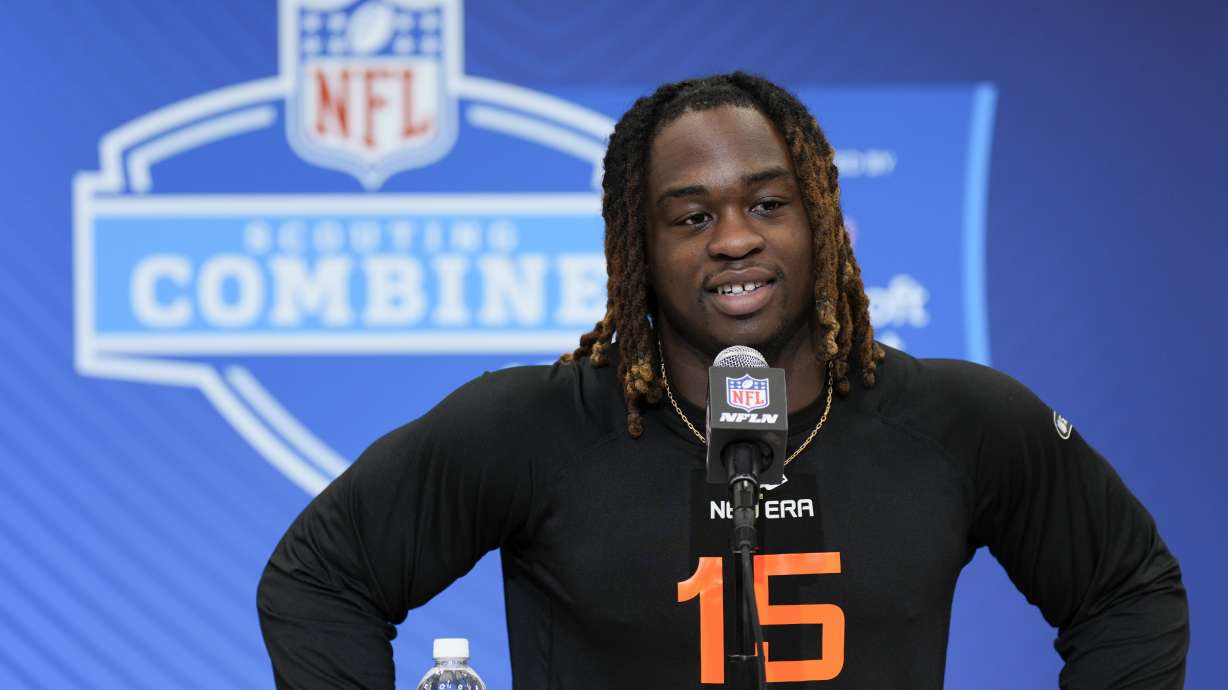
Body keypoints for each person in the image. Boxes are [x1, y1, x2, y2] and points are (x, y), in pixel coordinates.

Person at [257, 72, 1188, 688]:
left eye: (768, 203)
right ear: (641, 252)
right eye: (691, 215)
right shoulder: (537, 426)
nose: (735, 236)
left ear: (820, 219)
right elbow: (318, 580)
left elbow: (1128, 591)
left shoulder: (959, 421)